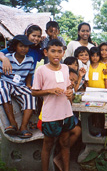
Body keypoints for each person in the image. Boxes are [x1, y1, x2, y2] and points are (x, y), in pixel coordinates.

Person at [31, 39, 75, 171]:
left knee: (65, 143)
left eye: (59, 52)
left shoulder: (66, 68)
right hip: (50, 114)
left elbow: (68, 86)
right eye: (53, 51)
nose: (56, 55)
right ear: (46, 52)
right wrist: (50, 90)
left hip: (66, 112)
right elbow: (34, 92)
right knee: (48, 145)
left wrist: (70, 92)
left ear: (63, 53)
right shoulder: (41, 70)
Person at [0, 35, 36, 138]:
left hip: (20, 84)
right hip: (6, 82)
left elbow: (30, 74)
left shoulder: (30, 59)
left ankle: (23, 127)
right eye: (21, 46)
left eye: (26, 46)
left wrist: (28, 84)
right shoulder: (8, 58)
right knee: (3, 90)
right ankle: (13, 123)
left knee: (31, 95)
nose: (24, 49)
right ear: (15, 46)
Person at [53, 68, 82, 171]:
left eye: (74, 81)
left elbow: (69, 106)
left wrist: (70, 95)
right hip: (54, 122)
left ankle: (60, 158)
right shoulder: (57, 89)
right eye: (71, 79)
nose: (72, 83)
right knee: (77, 131)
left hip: (64, 121)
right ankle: (59, 157)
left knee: (76, 129)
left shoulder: (67, 90)